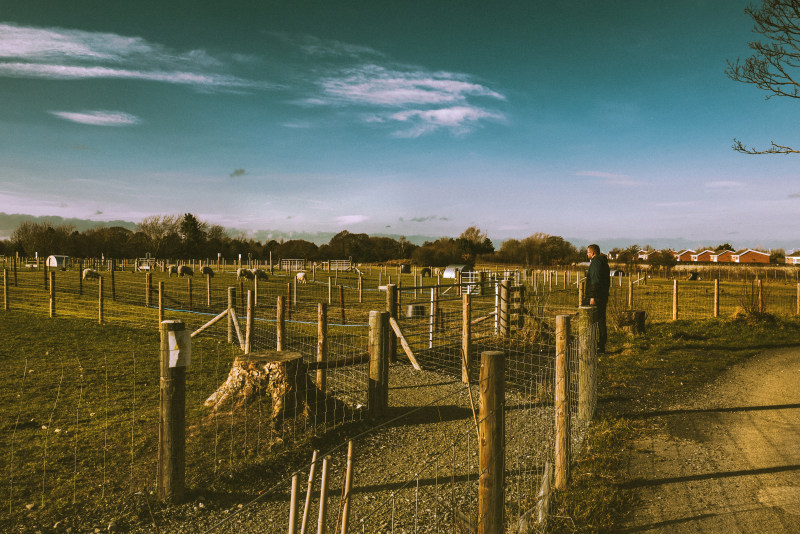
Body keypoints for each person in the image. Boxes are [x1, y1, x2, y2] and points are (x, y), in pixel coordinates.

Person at [585, 244, 610, 353]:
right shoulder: (603, 262)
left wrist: (592, 297)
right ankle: (601, 344)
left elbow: (595, 281)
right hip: (603, 295)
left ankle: (594, 344)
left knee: (593, 320)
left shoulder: (595, 263)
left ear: (593, 253)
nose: (587, 254)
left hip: (596, 297)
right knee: (601, 321)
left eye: (588, 252)